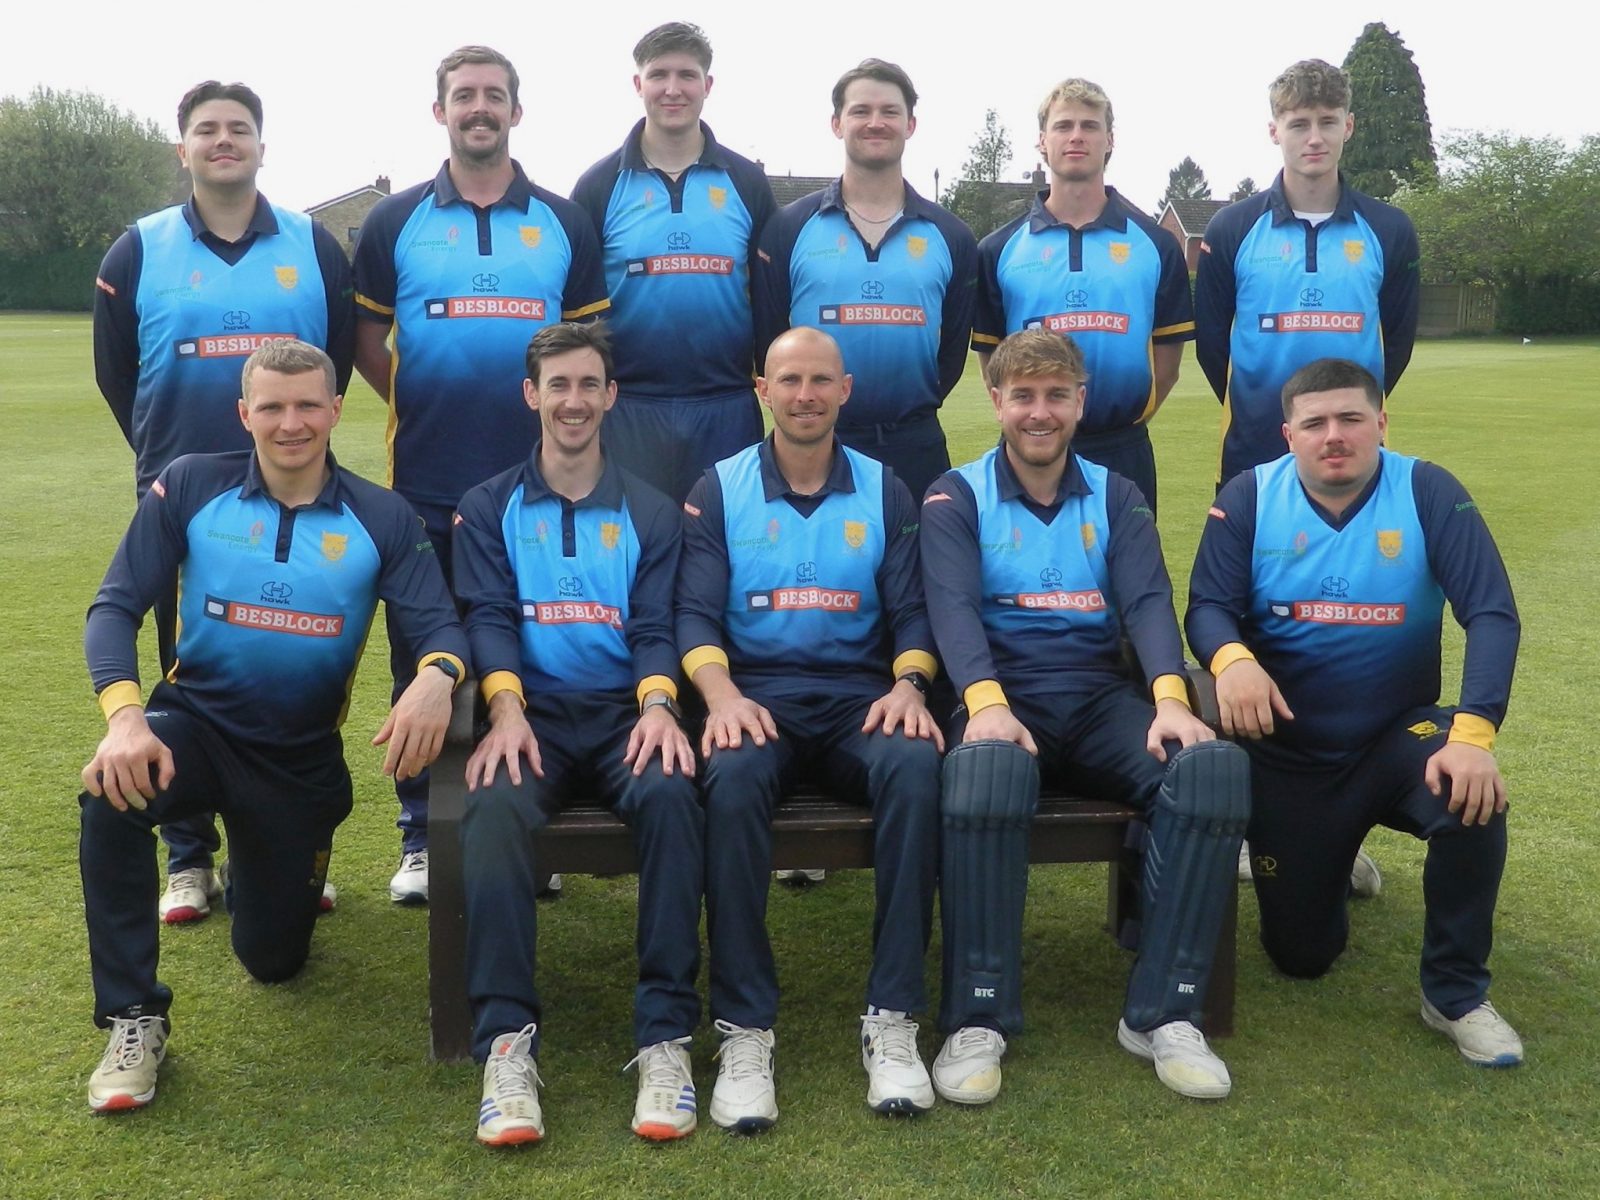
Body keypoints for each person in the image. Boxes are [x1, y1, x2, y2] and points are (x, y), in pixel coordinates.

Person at [77, 340, 467, 1113]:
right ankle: (133, 1017)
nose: (291, 424)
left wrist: (436, 677)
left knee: (272, 962)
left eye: (307, 405)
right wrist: (125, 718)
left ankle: (288, 877)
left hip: (296, 761)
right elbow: (114, 608)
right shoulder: (191, 483)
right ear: (244, 413)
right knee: (108, 794)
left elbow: (442, 628)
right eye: (273, 407)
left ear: (334, 408)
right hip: (191, 726)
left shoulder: (382, 515)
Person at [920, 328, 1249, 1103]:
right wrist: (988, 708)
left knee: (1210, 771)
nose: (1041, 413)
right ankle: (979, 1016)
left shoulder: (1115, 492)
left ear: (1080, 402)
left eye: (1056, 396)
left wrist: (1172, 698)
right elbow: (953, 609)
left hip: (1100, 700)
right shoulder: (954, 494)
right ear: (996, 401)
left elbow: (1144, 600)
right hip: (1004, 694)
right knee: (988, 766)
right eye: (1024, 396)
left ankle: (1164, 1013)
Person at [1186, 357, 1523, 1067]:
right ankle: (1336, 858)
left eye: (1350, 419)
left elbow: (1491, 613)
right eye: (1315, 423)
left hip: (1396, 737)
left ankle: (1455, 994)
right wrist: (1233, 661)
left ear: (1381, 423)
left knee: (1474, 799)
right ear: (1288, 433)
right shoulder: (1249, 495)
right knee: (1303, 956)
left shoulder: (1427, 490)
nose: (1333, 435)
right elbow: (1208, 607)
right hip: (1289, 753)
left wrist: (1473, 732)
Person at [352, 45, 609, 904]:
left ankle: (529, 822)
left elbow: (586, 350)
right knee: (422, 657)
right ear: (441, 112)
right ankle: (423, 836)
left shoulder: (565, 221)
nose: (479, 108)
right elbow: (365, 342)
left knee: (533, 648)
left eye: (494, 95)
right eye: (464, 96)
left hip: (541, 487)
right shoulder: (393, 222)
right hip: (426, 481)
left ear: (515, 111)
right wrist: (423, 398)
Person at [93, 79, 354, 922]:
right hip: (186, 497)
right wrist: (174, 461)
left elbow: (336, 364)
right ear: (184, 149)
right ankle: (188, 857)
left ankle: (277, 847)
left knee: (298, 664)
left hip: (294, 491)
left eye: (238, 128)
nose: (223, 141)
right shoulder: (139, 247)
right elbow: (116, 374)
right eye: (206, 130)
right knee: (187, 676)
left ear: (261, 145)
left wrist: (286, 439)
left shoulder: (314, 244)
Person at [676, 326, 943, 1129]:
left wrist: (909, 684)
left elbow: (914, 612)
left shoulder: (887, 487)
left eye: (821, 380)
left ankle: (893, 1019)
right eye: (790, 380)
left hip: (863, 699)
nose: (805, 395)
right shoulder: (718, 488)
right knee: (730, 780)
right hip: (755, 696)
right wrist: (720, 699)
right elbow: (691, 615)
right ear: (764, 389)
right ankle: (745, 1029)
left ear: (845, 390)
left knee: (919, 767)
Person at [451, 322, 703, 1145]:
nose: (573, 401)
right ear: (532, 395)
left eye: (588, 384)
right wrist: (506, 707)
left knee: (671, 793)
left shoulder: (651, 510)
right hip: (535, 719)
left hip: (627, 713)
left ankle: (665, 1037)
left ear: (610, 395)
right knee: (488, 802)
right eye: (557, 385)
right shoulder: (487, 507)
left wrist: (661, 705)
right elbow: (487, 616)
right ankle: (506, 1046)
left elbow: (657, 625)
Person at [752, 58, 977, 506]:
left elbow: (949, 355)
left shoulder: (952, 236)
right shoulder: (788, 228)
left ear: (910, 124)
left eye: (890, 112)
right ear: (837, 123)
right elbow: (768, 342)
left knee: (917, 575)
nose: (876, 122)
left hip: (915, 446)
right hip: (813, 445)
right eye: (860, 111)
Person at [571, 21, 777, 503]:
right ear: (638, 84)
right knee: (636, 557)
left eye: (687, 75)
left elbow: (770, 302)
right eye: (658, 74)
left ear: (707, 86)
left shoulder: (747, 183)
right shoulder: (598, 186)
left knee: (722, 552)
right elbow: (578, 310)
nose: (672, 88)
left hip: (726, 404)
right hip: (627, 407)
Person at [1194, 58, 1420, 489]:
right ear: (1275, 131)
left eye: (1328, 122)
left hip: (1354, 454)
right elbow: (1212, 347)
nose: (1314, 138)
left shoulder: (1390, 230)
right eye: (1299, 124)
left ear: (1348, 126)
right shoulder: (1231, 228)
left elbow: (1397, 343)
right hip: (1252, 453)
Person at [972, 78, 1193, 518]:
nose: (1076, 136)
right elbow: (992, 361)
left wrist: (1127, 419)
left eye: (1090, 126)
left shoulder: (1155, 243)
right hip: (1030, 451)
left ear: (1109, 140)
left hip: (1122, 450)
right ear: (1042, 141)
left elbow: (1167, 361)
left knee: (1130, 583)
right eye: (1063, 126)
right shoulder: (998, 250)